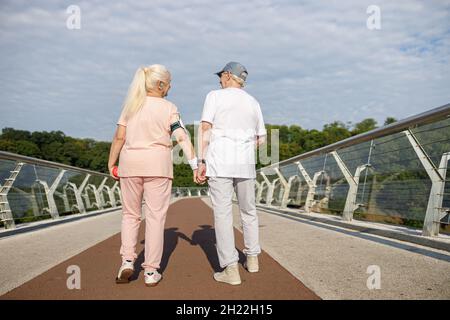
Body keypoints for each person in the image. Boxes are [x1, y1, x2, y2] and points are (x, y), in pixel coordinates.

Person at [108, 64, 200, 287]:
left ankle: (127, 260)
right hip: (158, 167)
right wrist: (195, 165)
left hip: (130, 165)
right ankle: (151, 272)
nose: (170, 87)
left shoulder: (130, 106)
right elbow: (181, 137)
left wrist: (111, 163)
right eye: (169, 83)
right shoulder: (169, 108)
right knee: (156, 218)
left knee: (130, 215)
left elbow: (120, 137)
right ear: (160, 85)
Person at [197, 62, 267, 285]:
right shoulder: (253, 102)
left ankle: (230, 269)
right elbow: (261, 138)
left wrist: (201, 160)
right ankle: (253, 259)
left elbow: (205, 128)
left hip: (220, 162)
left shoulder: (214, 96)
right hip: (245, 164)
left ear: (228, 76)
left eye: (221, 76)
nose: (219, 80)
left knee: (223, 214)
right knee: (249, 211)